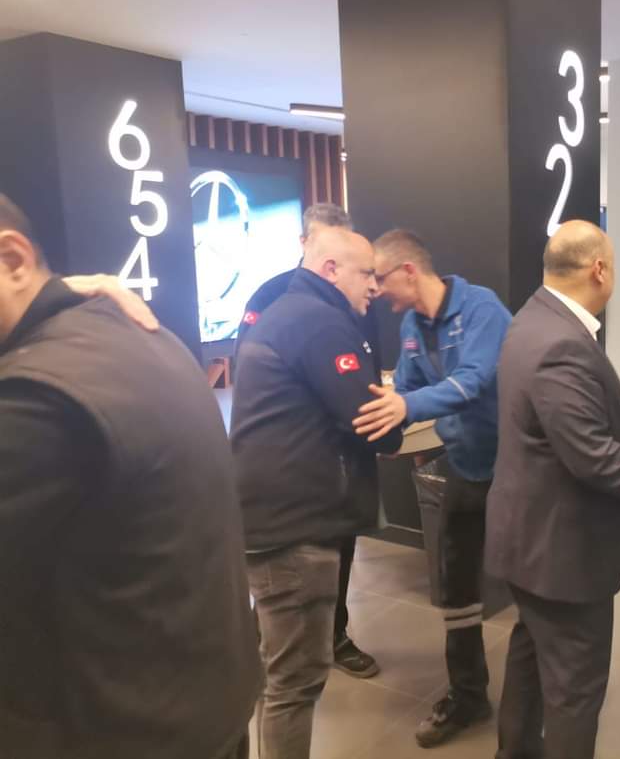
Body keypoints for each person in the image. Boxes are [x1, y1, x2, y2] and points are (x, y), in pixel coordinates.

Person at [0, 194, 262, 758]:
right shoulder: (141, 331)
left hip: (121, 727)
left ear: (13, 260)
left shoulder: (32, 398)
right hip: (204, 704)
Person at [484, 220, 620, 759]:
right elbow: (590, 454)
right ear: (599, 270)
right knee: (574, 692)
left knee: (530, 659)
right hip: (561, 557)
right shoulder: (562, 341)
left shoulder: (532, 319)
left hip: (527, 543)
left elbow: (582, 415)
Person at [230, 226, 403, 759]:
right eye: (366, 273)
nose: (374, 286)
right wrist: (397, 418)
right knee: (295, 682)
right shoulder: (321, 322)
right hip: (295, 530)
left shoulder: (285, 312)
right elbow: (372, 422)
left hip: (268, 520)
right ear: (330, 269)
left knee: (277, 672)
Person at [352, 229, 512, 748]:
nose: (375, 289)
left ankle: (542, 698)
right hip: (465, 467)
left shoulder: (481, 309)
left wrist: (407, 406)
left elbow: (474, 381)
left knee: (533, 584)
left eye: (379, 277)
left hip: (514, 470)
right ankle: (468, 695)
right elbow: (409, 387)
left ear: (408, 271)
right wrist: (386, 416)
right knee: (457, 588)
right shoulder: (412, 326)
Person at [237, 203, 381, 680]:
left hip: (329, 482)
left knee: (332, 565)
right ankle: (274, 641)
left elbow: (363, 378)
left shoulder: (345, 304)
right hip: (294, 491)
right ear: (312, 249)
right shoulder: (275, 298)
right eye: (366, 273)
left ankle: (331, 634)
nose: (373, 286)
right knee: (291, 673)